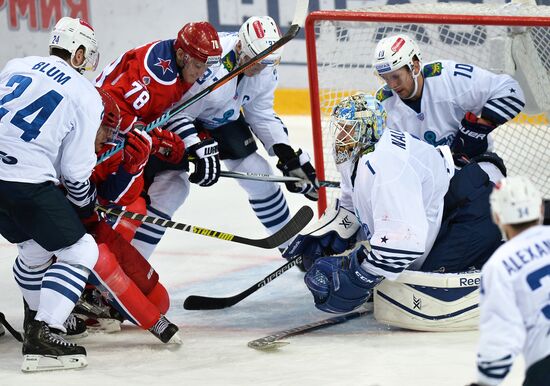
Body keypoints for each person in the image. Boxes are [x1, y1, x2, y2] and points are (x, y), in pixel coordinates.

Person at [283, 93, 502, 316]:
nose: (341, 136)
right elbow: (350, 200)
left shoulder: (385, 167)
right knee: (398, 272)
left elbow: (404, 244)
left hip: (467, 214)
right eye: (340, 127)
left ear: (368, 129)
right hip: (451, 203)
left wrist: (361, 275)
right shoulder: (356, 152)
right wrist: (331, 232)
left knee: (425, 281)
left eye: (349, 128)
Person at [131, 16, 319, 260]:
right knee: (172, 187)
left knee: (259, 173)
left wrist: (286, 154)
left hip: (219, 118)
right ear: (240, 47)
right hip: (177, 121)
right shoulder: (208, 63)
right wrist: (196, 146)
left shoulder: (264, 66)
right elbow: (177, 113)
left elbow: (260, 112)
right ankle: (134, 261)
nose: (260, 68)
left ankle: (292, 247)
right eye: (256, 62)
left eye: (266, 63)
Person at [0, 17, 102, 371]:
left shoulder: (17, 65)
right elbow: (75, 172)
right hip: (23, 180)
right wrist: (87, 203)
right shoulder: (86, 93)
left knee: (32, 247)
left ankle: (34, 319)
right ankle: (45, 330)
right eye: (86, 55)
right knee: (81, 249)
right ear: (77, 53)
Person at [94, 21, 222, 243]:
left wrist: (193, 141)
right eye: (200, 66)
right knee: (128, 206)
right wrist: (152, 140)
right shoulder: (156, 79)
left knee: (174, 179)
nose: (203, 73)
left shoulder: (179, 63)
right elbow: (111, 108)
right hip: (101, 136)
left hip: (121, 129)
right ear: (182, 55)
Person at [372, 34, 525, 180]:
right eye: (385, 78)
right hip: (425, 176)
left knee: (490, 198)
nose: (391, 85)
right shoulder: (383, 105)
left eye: (396, 76)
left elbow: (510, 90)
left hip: (474, 162)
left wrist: (479, 128)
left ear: (415, 67)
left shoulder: (450, 78)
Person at [468, 176, 550, 386]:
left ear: (497, 217)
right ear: (540, 209)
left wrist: (485, 382)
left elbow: (500, 338)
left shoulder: (499, 265)